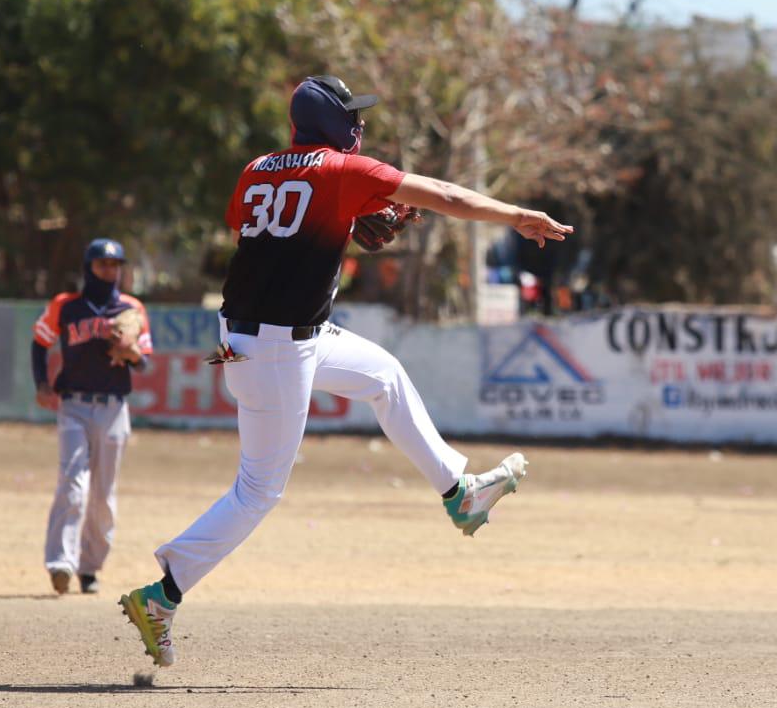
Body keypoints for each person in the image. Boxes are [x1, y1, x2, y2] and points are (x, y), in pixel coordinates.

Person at [119, 75, 572, 667]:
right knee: (258, 491)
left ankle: (459, 492)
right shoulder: (341, 171)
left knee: (383, 375)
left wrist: (347, 224)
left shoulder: (256, 169)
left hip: (260, 337)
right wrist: (515, 214)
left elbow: (268, 239)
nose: (359, 124)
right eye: (351, 115)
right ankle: (164, 594)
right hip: (277, 350)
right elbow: (442, 194)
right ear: (331, 125)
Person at [32, 238, 153, 594]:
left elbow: (144, 362)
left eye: (115, 265)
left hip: (115, 407)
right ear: (89, 268)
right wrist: (41, 383)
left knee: (103, 494)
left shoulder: (131, 308)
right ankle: (61, 563)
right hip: (73, 405)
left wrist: (131, 352)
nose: (110, 271)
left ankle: (90, 567)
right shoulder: (66, 307)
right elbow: (39, 342)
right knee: (72, 483)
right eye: (103, 265)